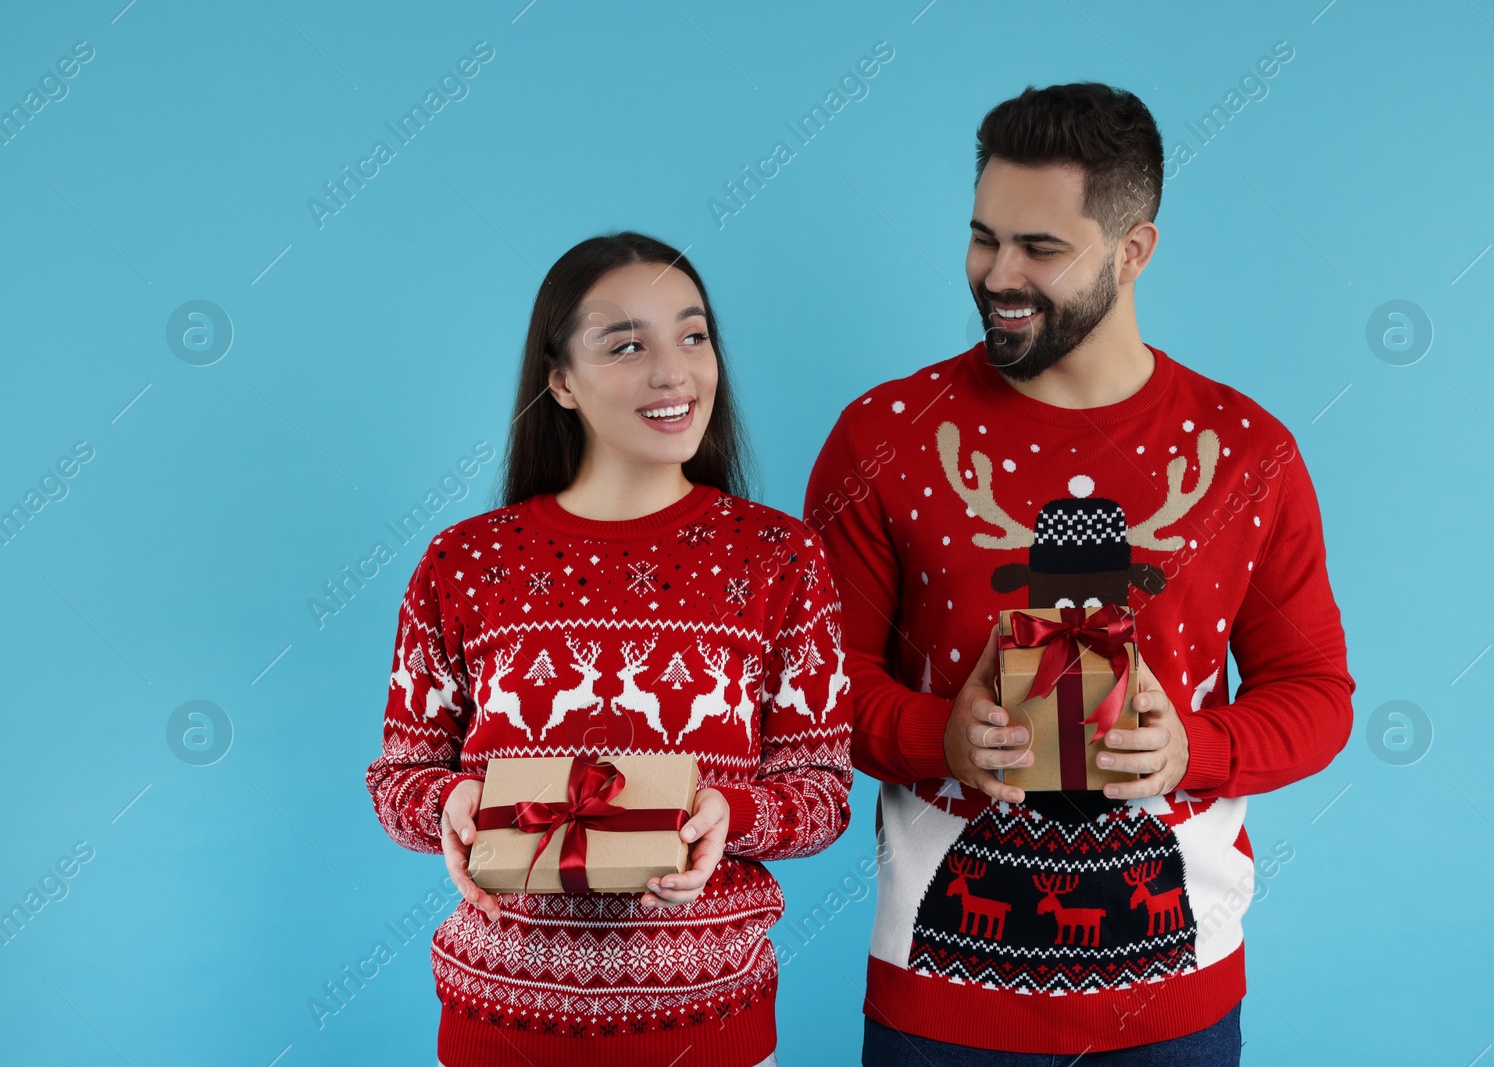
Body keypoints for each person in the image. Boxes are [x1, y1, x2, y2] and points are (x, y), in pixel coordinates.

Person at [804, 83, 1355, 1065]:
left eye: (1039, 248)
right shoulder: (879, 439)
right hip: (939, 1002)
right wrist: (944, 736)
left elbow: (1316, 697)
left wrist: (1194, 746)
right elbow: (814, 691)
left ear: (1134, 250)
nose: (995, 274)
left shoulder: (1247, 453)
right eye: (983, 237)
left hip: (1173, 1000)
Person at [366, 231, 853, 1067]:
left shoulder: (782, 560)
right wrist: (445, 804)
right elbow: (398, 776)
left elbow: (823, 793)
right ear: (560, 379)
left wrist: (727, 814)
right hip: (501, 1024)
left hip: (711, 1031)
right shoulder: (465, 563)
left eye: (692, 335)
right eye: (626, 344)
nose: (673, 371)